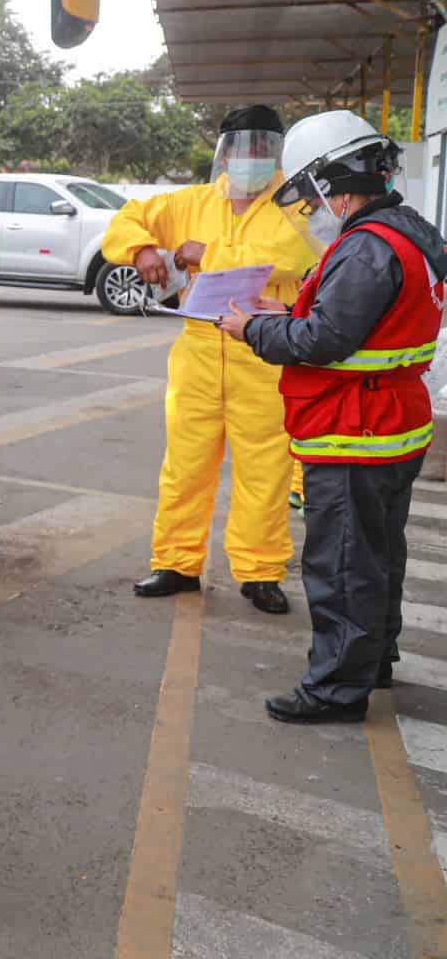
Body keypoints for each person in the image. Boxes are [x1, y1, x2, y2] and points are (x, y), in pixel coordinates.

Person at [219, 111, 446, 723]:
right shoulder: (408, 231)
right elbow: (356, 317)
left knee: (342, 564)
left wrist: (253, 327)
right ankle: (372, 662)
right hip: (391, 422)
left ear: (334, 182)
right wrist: (287, 308)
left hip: (356, 430)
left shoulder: (367, 245)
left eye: (311, 193)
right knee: (377, 555)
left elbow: (323, 339)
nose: (313, 209)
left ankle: (335, 689)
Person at [100, 105, 315, 613]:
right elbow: (127, 218)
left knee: (265, 471)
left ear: (275, 153)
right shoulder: (191, 201)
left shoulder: (297, 206)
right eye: (241, 148)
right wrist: (142, 250)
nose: (250, 159)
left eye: (261, 149)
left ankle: (260, 572)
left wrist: (205, 253)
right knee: (184, 467)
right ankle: (175, 563)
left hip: (262, 352)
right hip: (198, 352)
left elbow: (286, 257)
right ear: (225, 154)